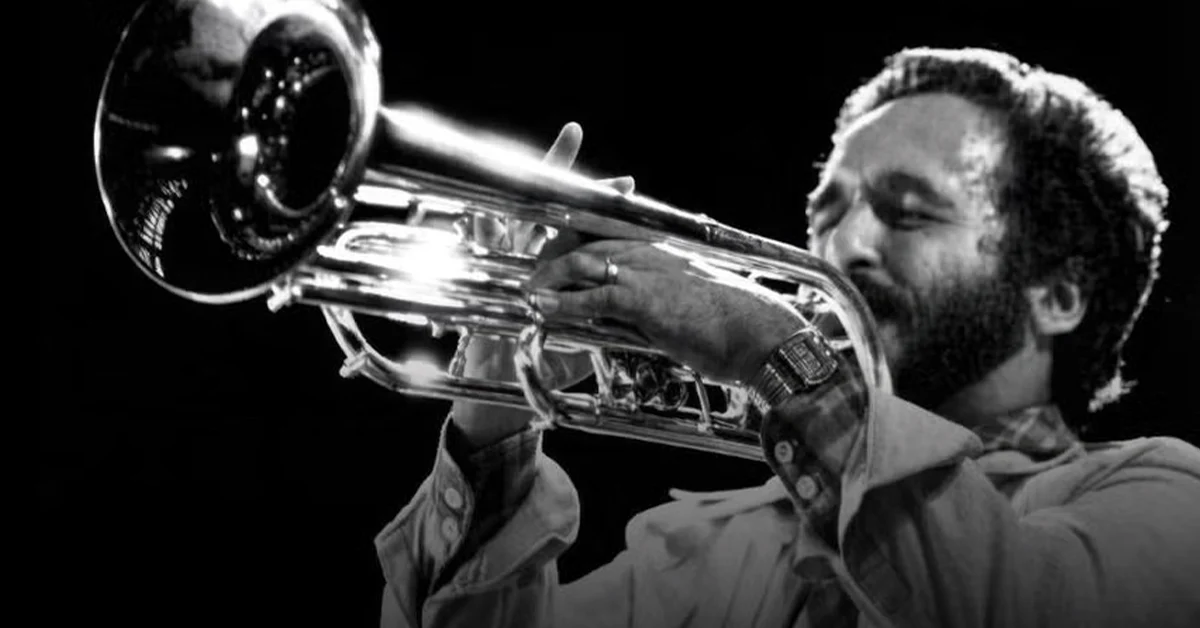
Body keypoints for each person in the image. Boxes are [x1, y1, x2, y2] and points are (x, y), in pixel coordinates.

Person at [374, 47, 1200, 627]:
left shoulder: (1168, 500)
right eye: (827, 213)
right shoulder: (716, 544)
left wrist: (770, 346)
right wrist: (496, 403)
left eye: (909, 213)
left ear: (1058, 292)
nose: (846, 246)